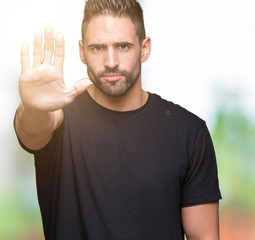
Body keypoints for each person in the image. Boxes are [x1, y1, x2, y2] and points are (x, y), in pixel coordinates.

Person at [14, 0, 222, 239]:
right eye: (97, 48)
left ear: (144, 49)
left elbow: (204, 236)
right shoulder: (58, 118)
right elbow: (33, 130)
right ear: (82, 51)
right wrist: (33, 108)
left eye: (123, 46)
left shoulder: (189, 132)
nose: (111, 61)